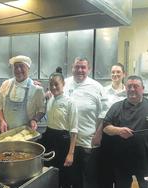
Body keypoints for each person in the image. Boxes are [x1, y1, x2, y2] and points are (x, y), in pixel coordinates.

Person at [63, 57, 104, 188]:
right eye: (77, 67)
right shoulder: (65, 83)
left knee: (89, 180)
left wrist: (98, 134)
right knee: (72, 179)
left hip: (88, 143)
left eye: (83, 67)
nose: (80, 70)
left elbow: (104, 114)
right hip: (68, 143)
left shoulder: (96, 87)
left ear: (89, 69)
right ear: (72, 68)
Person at [40, 71, 78, 188]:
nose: (53, 87)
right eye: (51, 84)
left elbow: (74, 131)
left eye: (56, 84)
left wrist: (70, 154)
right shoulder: (51, 99)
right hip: (49, 138)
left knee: (64, 176)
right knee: (49, 173)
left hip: (63, 141)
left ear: (63, 84)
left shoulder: (70, 102)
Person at [94, 63, 127, 188]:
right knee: (105, 170)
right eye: (113, 72)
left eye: (118, 72)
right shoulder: (103, 91)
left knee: (121, 171)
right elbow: (101, 114)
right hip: (106, 134)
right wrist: (98, 134)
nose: (115, 74)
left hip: (123, 134)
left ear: (124, 74)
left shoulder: (128, 92)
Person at [0, 55, 45, 132]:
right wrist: (2, 121)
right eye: (16, 67)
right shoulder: (6, 84)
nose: (18, 70)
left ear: (28, 68)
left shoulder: (36, 89)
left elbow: (42, 109)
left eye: (22, 66)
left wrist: (35, 120)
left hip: (26, 133)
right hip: (6, 131)